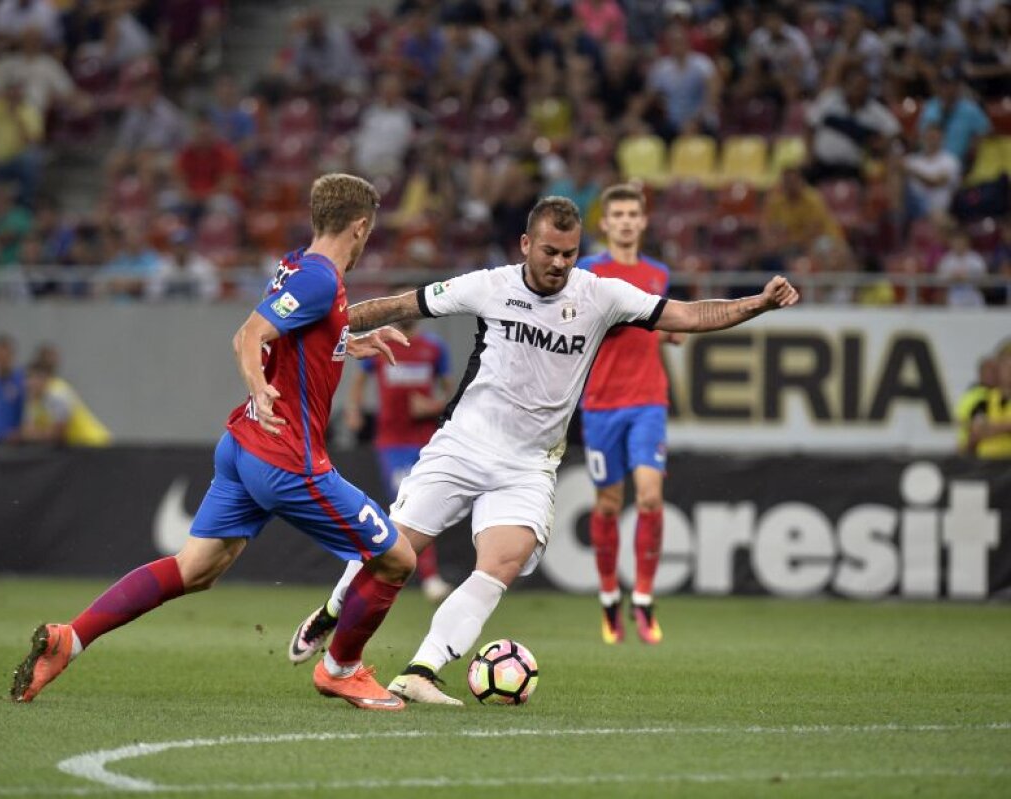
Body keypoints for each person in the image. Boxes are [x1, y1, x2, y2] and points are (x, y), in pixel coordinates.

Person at [289, 196, 800, 705]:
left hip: (530, 463)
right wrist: (314, 325)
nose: (559, 263)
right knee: (392, 549)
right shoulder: (489, 285)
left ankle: (421, 671)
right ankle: (331, 612)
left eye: (570, 253)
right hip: (463, 445)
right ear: (526, 244)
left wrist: (756, 303)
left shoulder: (602, 295)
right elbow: (399, 306)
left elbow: (686, 315)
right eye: (550, 251)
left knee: (500, 565)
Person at [10, 173, 418, 711]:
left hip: (243, 447)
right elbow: (250, 335)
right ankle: (341, 669)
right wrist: (259, 386)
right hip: (286, 460)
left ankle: (71, 639)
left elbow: (297, 328)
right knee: (396, 558)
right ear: (361, 227)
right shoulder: (319, 279)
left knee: (193, 568)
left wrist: (350, 342)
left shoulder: (298, 265)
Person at [577, 185, 684, 645]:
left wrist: (669, 334)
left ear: (643, 222)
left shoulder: (658, 273)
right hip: (601, 403)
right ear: (605, 222)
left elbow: (660, 323)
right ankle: (607, 597)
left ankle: (642, 596)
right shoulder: (588, 271)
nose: (624, 221)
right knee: (606, 504)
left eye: (631, 214)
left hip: (648, 401)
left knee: (650, 496)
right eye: (616, 214)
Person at [343, 300, 453, 604]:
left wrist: (431, 406)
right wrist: (354, 409)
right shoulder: (379, 344)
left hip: (429, 441)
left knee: (427, 507)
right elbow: (359, 380)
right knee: (409, 506)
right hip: (392, 442)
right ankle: (429, 578)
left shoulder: (434, 348)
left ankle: (397, 572)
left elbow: (450, 393)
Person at [21, 359, 112, 447]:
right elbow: (27, 431)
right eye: (27, 378)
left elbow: (57, 435)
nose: (28, 383)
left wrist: (35, 434)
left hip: (94, 444)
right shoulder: (33, 399)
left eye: (32, 378)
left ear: (45, 378)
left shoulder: (58, 394)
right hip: (76, 448)